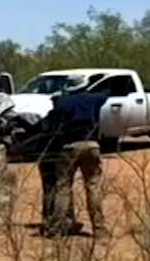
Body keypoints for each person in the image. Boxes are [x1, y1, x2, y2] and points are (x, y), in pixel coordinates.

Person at [34, 75, 110, 237]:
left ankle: (54, 229)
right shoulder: (94, 99)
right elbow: (106, 93)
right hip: (91, 145)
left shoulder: (61, 101)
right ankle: (99, 229)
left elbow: (54, 105)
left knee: (63, 188)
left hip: (68, 147)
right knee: (93, 187)